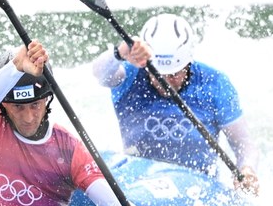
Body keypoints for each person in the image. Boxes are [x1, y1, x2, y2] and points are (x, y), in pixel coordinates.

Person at [0, 40, 155, 206]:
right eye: (18, 107)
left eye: (34, 105)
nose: (28, 118)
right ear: (3, 105)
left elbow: (111, 203)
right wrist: (15, 67)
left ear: (47, 100)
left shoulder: (69, 149)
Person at [92, 13, 260, 195]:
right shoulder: (130, 76)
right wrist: (119, 53)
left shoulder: (215, 83)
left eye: (174, 74)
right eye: (158, 74)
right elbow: (100, 74)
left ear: (187, 63)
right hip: (138, 176)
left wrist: (247, 169)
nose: (166, 82)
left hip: (197, 185)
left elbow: (243, 144)